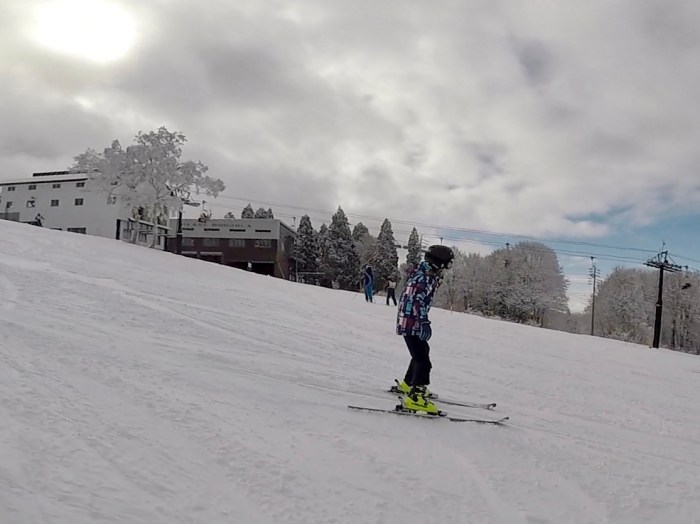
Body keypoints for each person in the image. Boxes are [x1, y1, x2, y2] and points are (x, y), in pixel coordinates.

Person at [393, 245, 454, 414]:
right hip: (412, 321)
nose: (446, 268)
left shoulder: (422, 273)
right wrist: (424, 321)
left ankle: (408, 384)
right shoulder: (426, 278)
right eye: (447, 264)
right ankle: (416, 397)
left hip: (408, 320)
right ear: (438, 263)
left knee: (420, 353)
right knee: (423, 360)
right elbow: (416, 301)